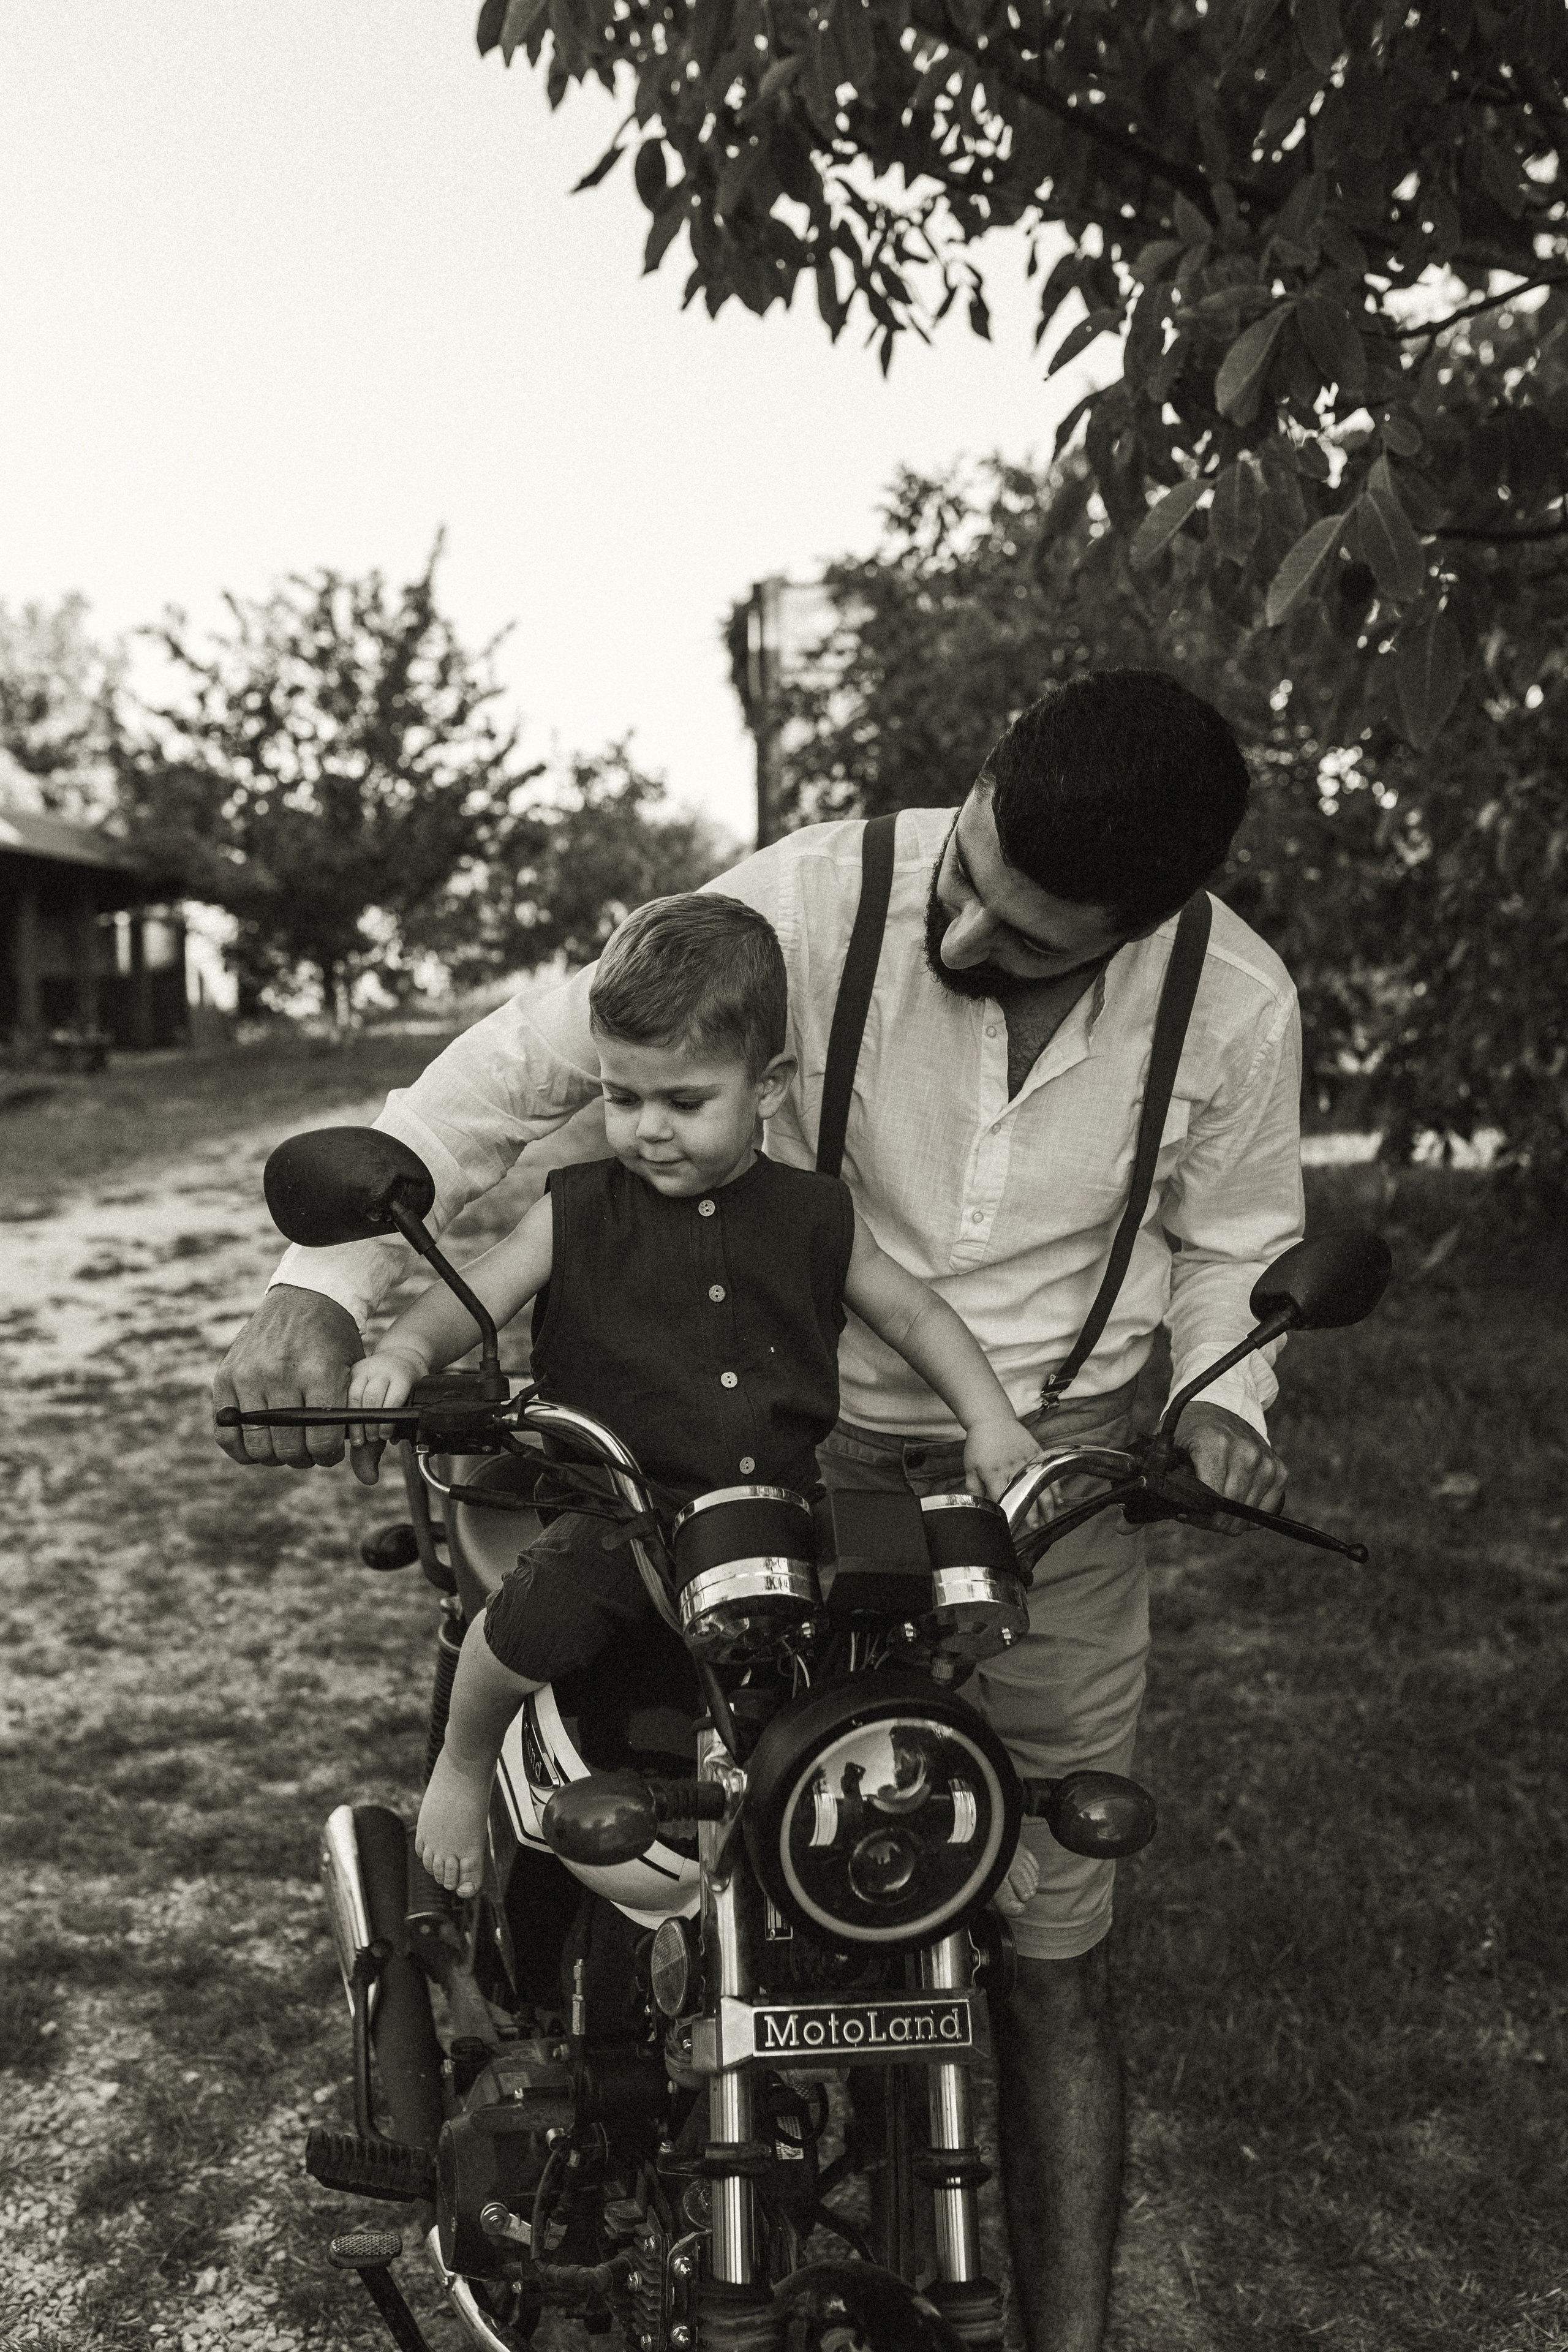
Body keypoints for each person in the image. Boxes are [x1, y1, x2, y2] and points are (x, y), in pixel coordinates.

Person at [216, 669, 1303, 2352]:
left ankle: (1063, 2335)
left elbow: (1240, 1246)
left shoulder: (1233, 1007)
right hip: (768, 1465)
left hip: (1035, 1475)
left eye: (1026, 935)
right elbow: (510, 1074)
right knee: (692, 1816)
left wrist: (1225, 1402)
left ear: (1147, 928)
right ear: (988, 769)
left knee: (1042, 1915)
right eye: (970, 878)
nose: (966, 936)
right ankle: (609, 2095)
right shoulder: (797, 905)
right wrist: (329, 1289)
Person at [344, 891, 1049, 1898]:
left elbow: (917, 1315)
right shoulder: (578, 1209)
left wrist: (989, 1417)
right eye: (621, 1099)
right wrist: (404, 1356)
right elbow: (473, 1297)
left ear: (768, 1086)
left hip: (779, 1506)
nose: (645, 1131)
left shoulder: (814, 1215)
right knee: (530, 1625)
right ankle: (463, 1765)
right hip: (622, 1508)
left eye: (683, 1102)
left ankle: (959, 1810)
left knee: (904, 1636)